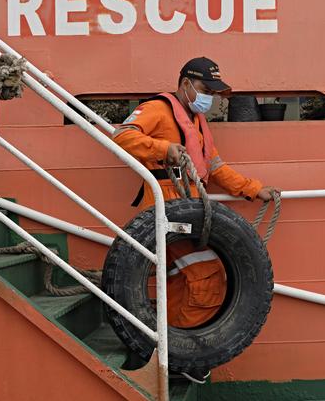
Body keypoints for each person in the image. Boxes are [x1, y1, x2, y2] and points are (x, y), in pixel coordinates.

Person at [112, 56, 280, 383]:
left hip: (190, 207)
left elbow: (214, 168)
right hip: (165, 208)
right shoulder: (158, 109)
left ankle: (167, 354)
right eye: (205, 89)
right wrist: (164, 149)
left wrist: (253, 189)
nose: (210, 98)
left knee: (179, 281)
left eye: (213, 93)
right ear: (186, 83)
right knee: (206, 278)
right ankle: (183, 356)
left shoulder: (199, 120)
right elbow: (122, 136)